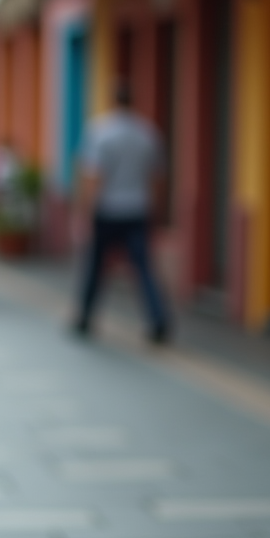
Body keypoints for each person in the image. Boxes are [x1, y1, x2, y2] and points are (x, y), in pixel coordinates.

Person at [73, 85, 171, 344]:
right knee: (143, 268)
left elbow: (94, 176)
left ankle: (85, 317)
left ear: (113, 102)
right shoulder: (148, 133)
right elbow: (157, 177)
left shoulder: (100, 132)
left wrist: (86, 210)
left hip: (107, 209)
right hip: (137, 208)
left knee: (95, 266)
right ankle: (158, 320)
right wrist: (153, 206)